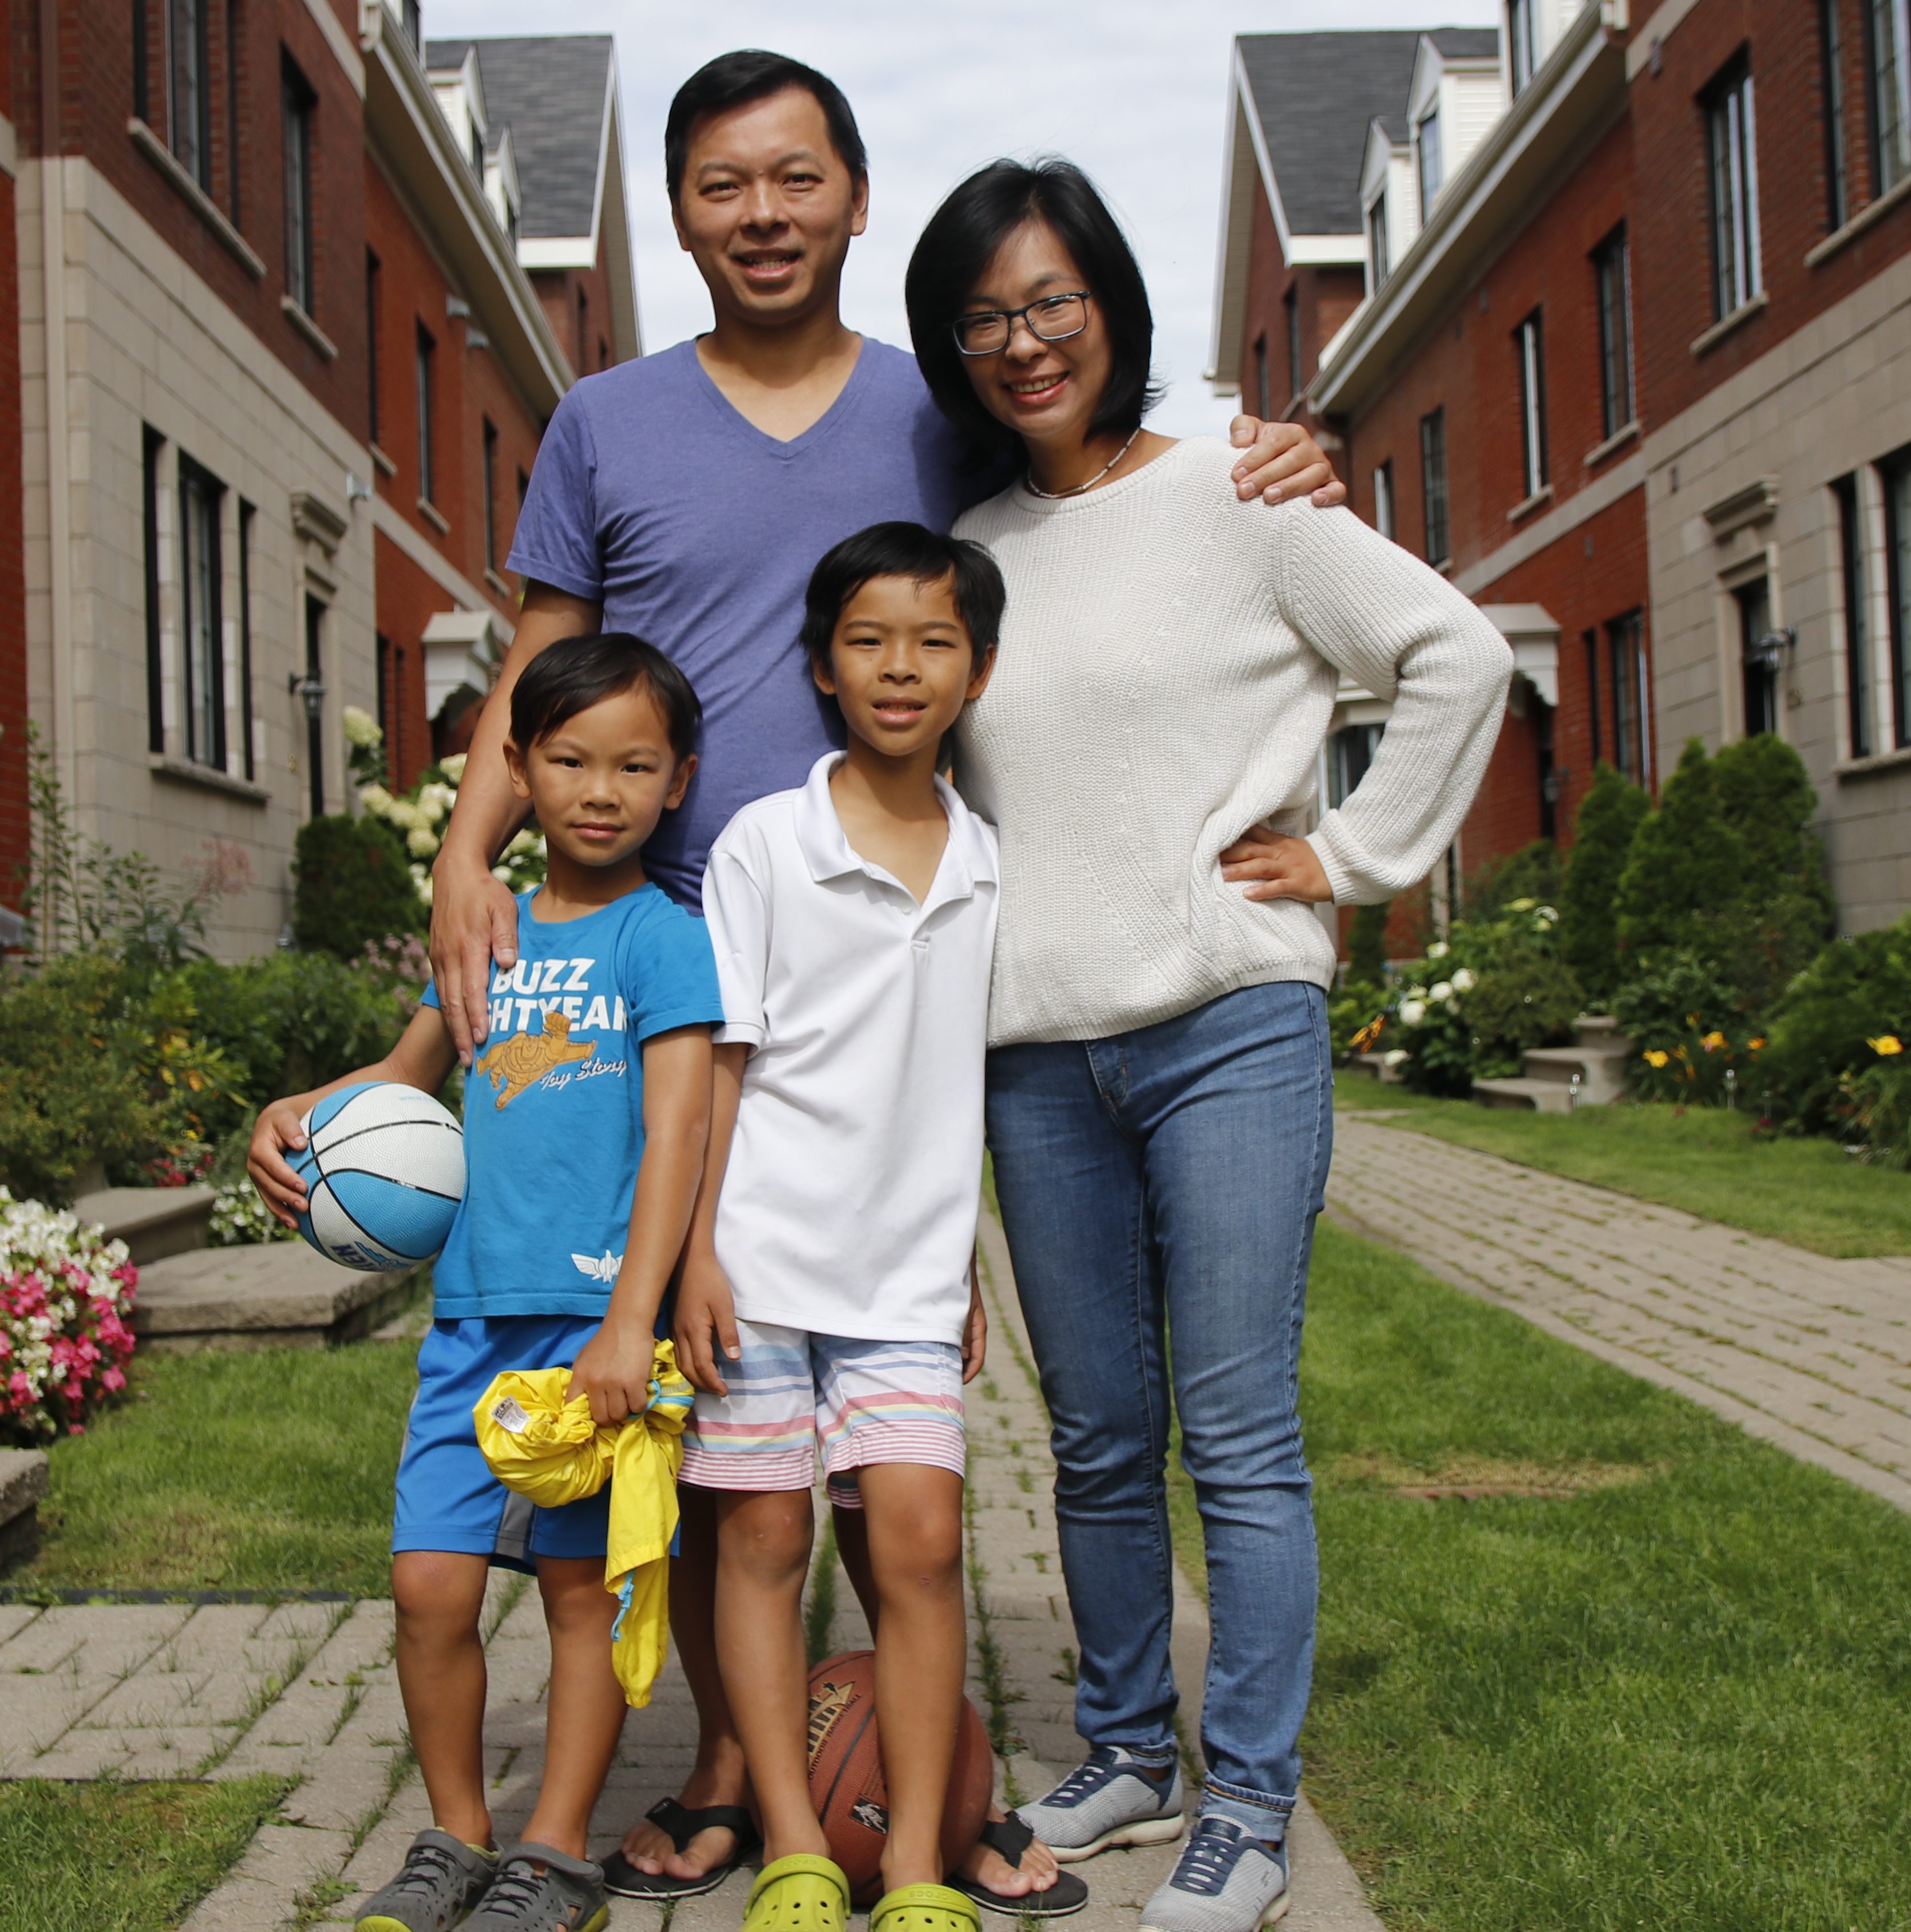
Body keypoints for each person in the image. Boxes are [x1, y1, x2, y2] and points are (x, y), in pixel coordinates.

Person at [397, 49, 1345, 1907]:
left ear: (852, 196)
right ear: (679, 210)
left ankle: (874, 1785)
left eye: (797, 179)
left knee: (884, 1415)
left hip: (909, 968)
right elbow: (545, 664)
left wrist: (1274, 454)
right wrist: (461, 843)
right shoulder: (604, 420)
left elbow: (1102, 478)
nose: (764, 215)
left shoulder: (941, 413)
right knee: (715, 1373)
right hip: (690, 975)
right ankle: (745, 1772)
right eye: (724, 185)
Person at [904, 160, 1511, 1932]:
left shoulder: (1248, 496)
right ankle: (1126, 1749)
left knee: (1236, 1437)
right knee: (1096, 1438)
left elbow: (1455, 656)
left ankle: (1246, 1798)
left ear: (1112, 305)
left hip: (1229, 1029)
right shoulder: (973, 561)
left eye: (1052, 302)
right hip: (1040, 1060)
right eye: (986, 317)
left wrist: (1357, 858)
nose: (1024, 343)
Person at [247, 635, 726, 1932]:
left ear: (678, 780)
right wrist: (303, 1107)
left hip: (591, 1331)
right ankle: (457, 1831)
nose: (599, 789)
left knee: (581, 1592)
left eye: (634, 764)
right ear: (514, 769)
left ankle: (555, 1849)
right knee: (429, 1586)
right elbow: (406, 1074)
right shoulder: (489, 927)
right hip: (469, 1319)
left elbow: (681, 1133)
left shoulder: (661, 941)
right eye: (568, 759)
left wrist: (635, 1317)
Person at [675, 522, 1019, 1932]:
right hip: (759, 1262)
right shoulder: (767, 841)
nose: (900, 666)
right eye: (870, 639)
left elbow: (965, 1081)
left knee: (922, 1541)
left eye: (934, 641)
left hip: (907, 1275)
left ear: (979, 670)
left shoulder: (991, 858)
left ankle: (923, 1864)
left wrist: (971, 1256)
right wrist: (696, 1254)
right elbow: (722, 1064)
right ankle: (803, 1846)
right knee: (762, 1542)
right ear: (823, 664)